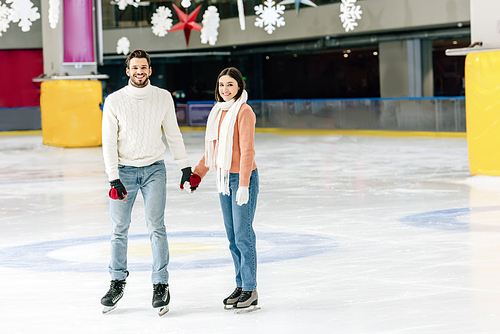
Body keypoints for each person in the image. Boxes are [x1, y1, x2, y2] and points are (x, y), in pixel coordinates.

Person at [100, 49, 192, 316]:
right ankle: (117, 282)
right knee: (119, 229)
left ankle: (160, 284)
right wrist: (113, 177)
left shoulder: (162, 97)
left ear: (150, 70)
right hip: (124, 172)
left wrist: (184, 165)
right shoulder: (115, 101)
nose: (139, 72)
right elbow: (108, 142)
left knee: (157, 227)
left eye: (144, 67)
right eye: (134, 68)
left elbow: (173, 133)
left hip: (154, 169)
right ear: (127, 71)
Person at [190, 67, 259, 311]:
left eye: (230, 85)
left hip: (242, 178)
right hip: (222, 178)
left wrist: (243, 184)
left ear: (239, 86)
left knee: (243, 235)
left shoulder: (244, 111)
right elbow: (214, 150)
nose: (225, 90)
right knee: (232, 238)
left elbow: (247, 150)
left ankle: (251, 289)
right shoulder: (218, 112)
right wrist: (197, 174)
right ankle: (241, 285)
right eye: (221, 85)